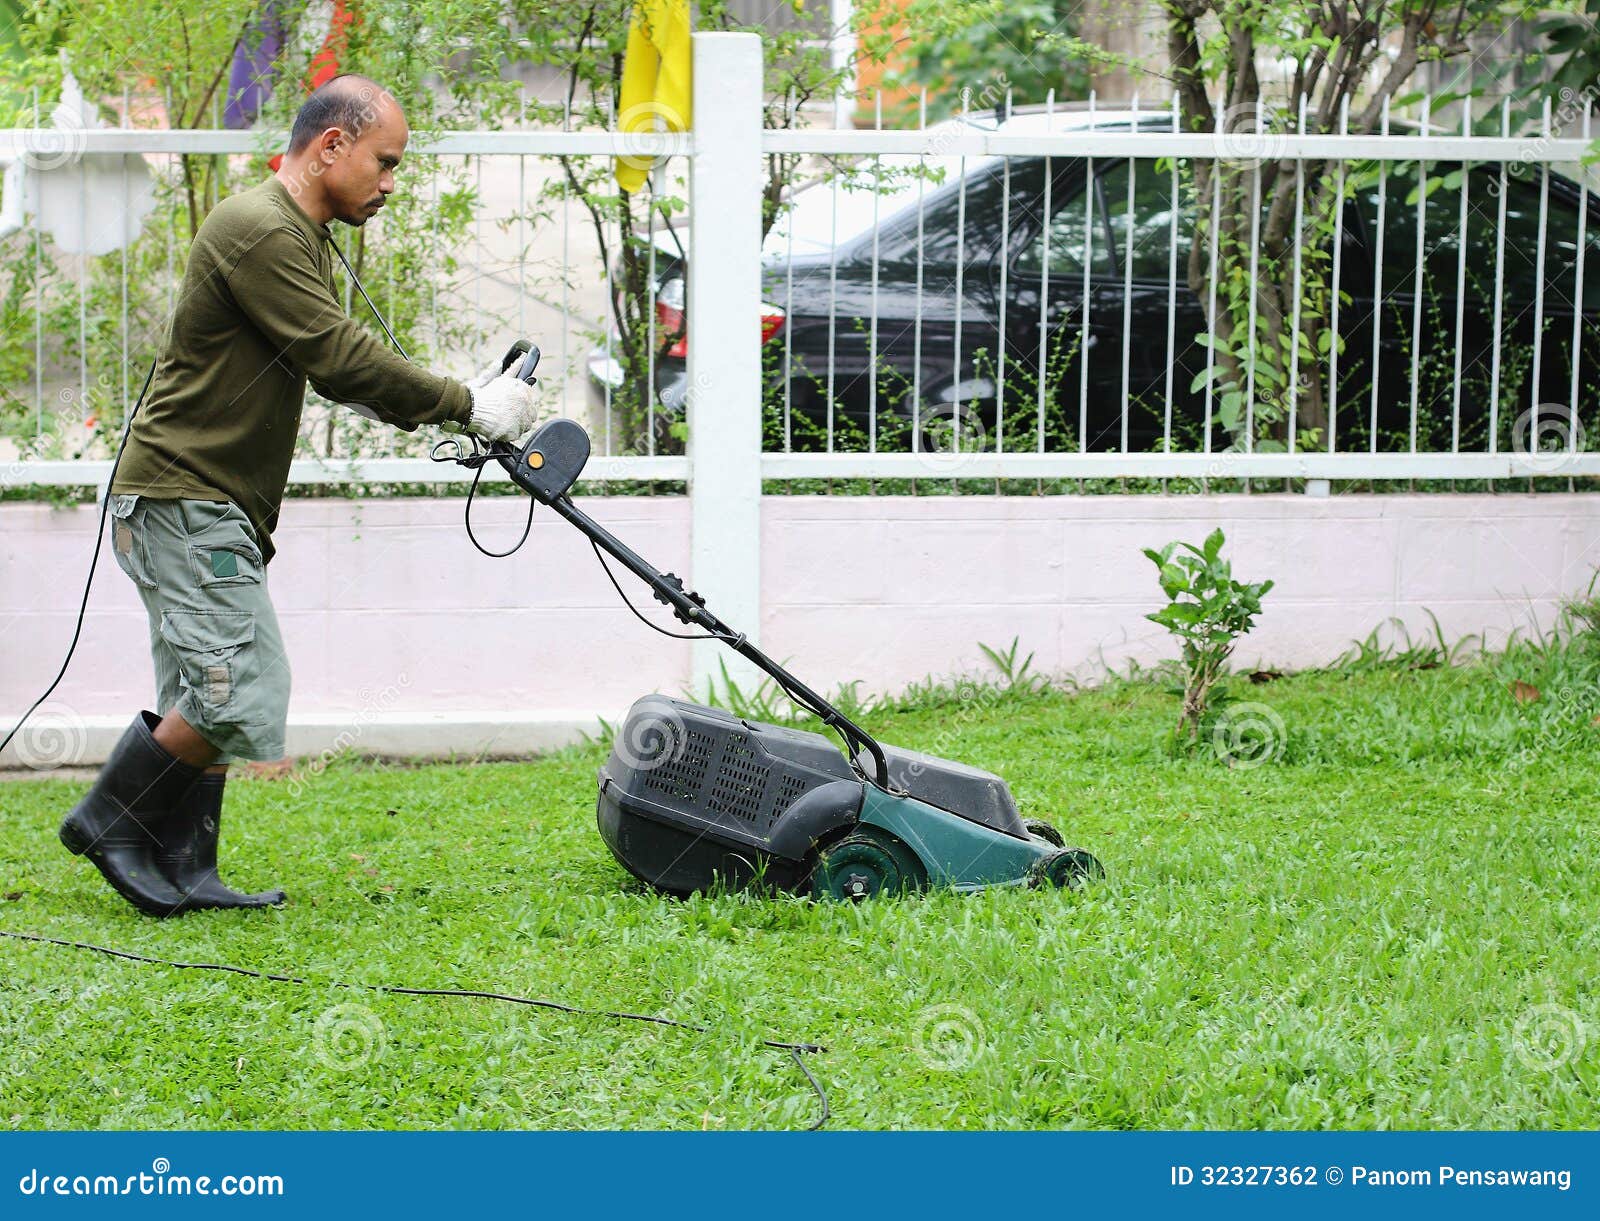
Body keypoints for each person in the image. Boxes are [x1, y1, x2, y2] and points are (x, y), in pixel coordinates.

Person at [58, 74, 537, 917]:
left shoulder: (302, 237)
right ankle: (110, 819)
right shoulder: (259, 230)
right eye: (385, 162)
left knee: (200, 688)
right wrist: (466, 402)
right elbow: (340, 355)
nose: (390, 182)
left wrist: (451, 409)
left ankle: (186, 865)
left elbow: (341, 369)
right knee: (238, 685)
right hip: (181, 494)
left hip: (200, 499)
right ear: (331, 146)